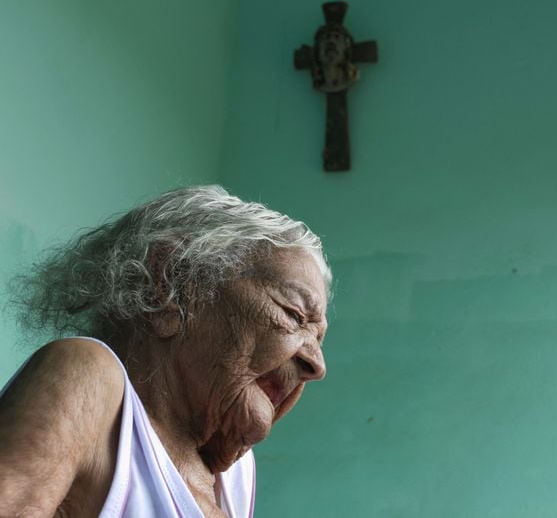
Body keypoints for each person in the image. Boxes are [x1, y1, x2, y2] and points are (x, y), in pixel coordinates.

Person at [0, 186, 330, 517]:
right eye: (295, 315)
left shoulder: (236, 478)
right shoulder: (86, 377)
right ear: (171, 283)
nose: (317, 365)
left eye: (319, 339)